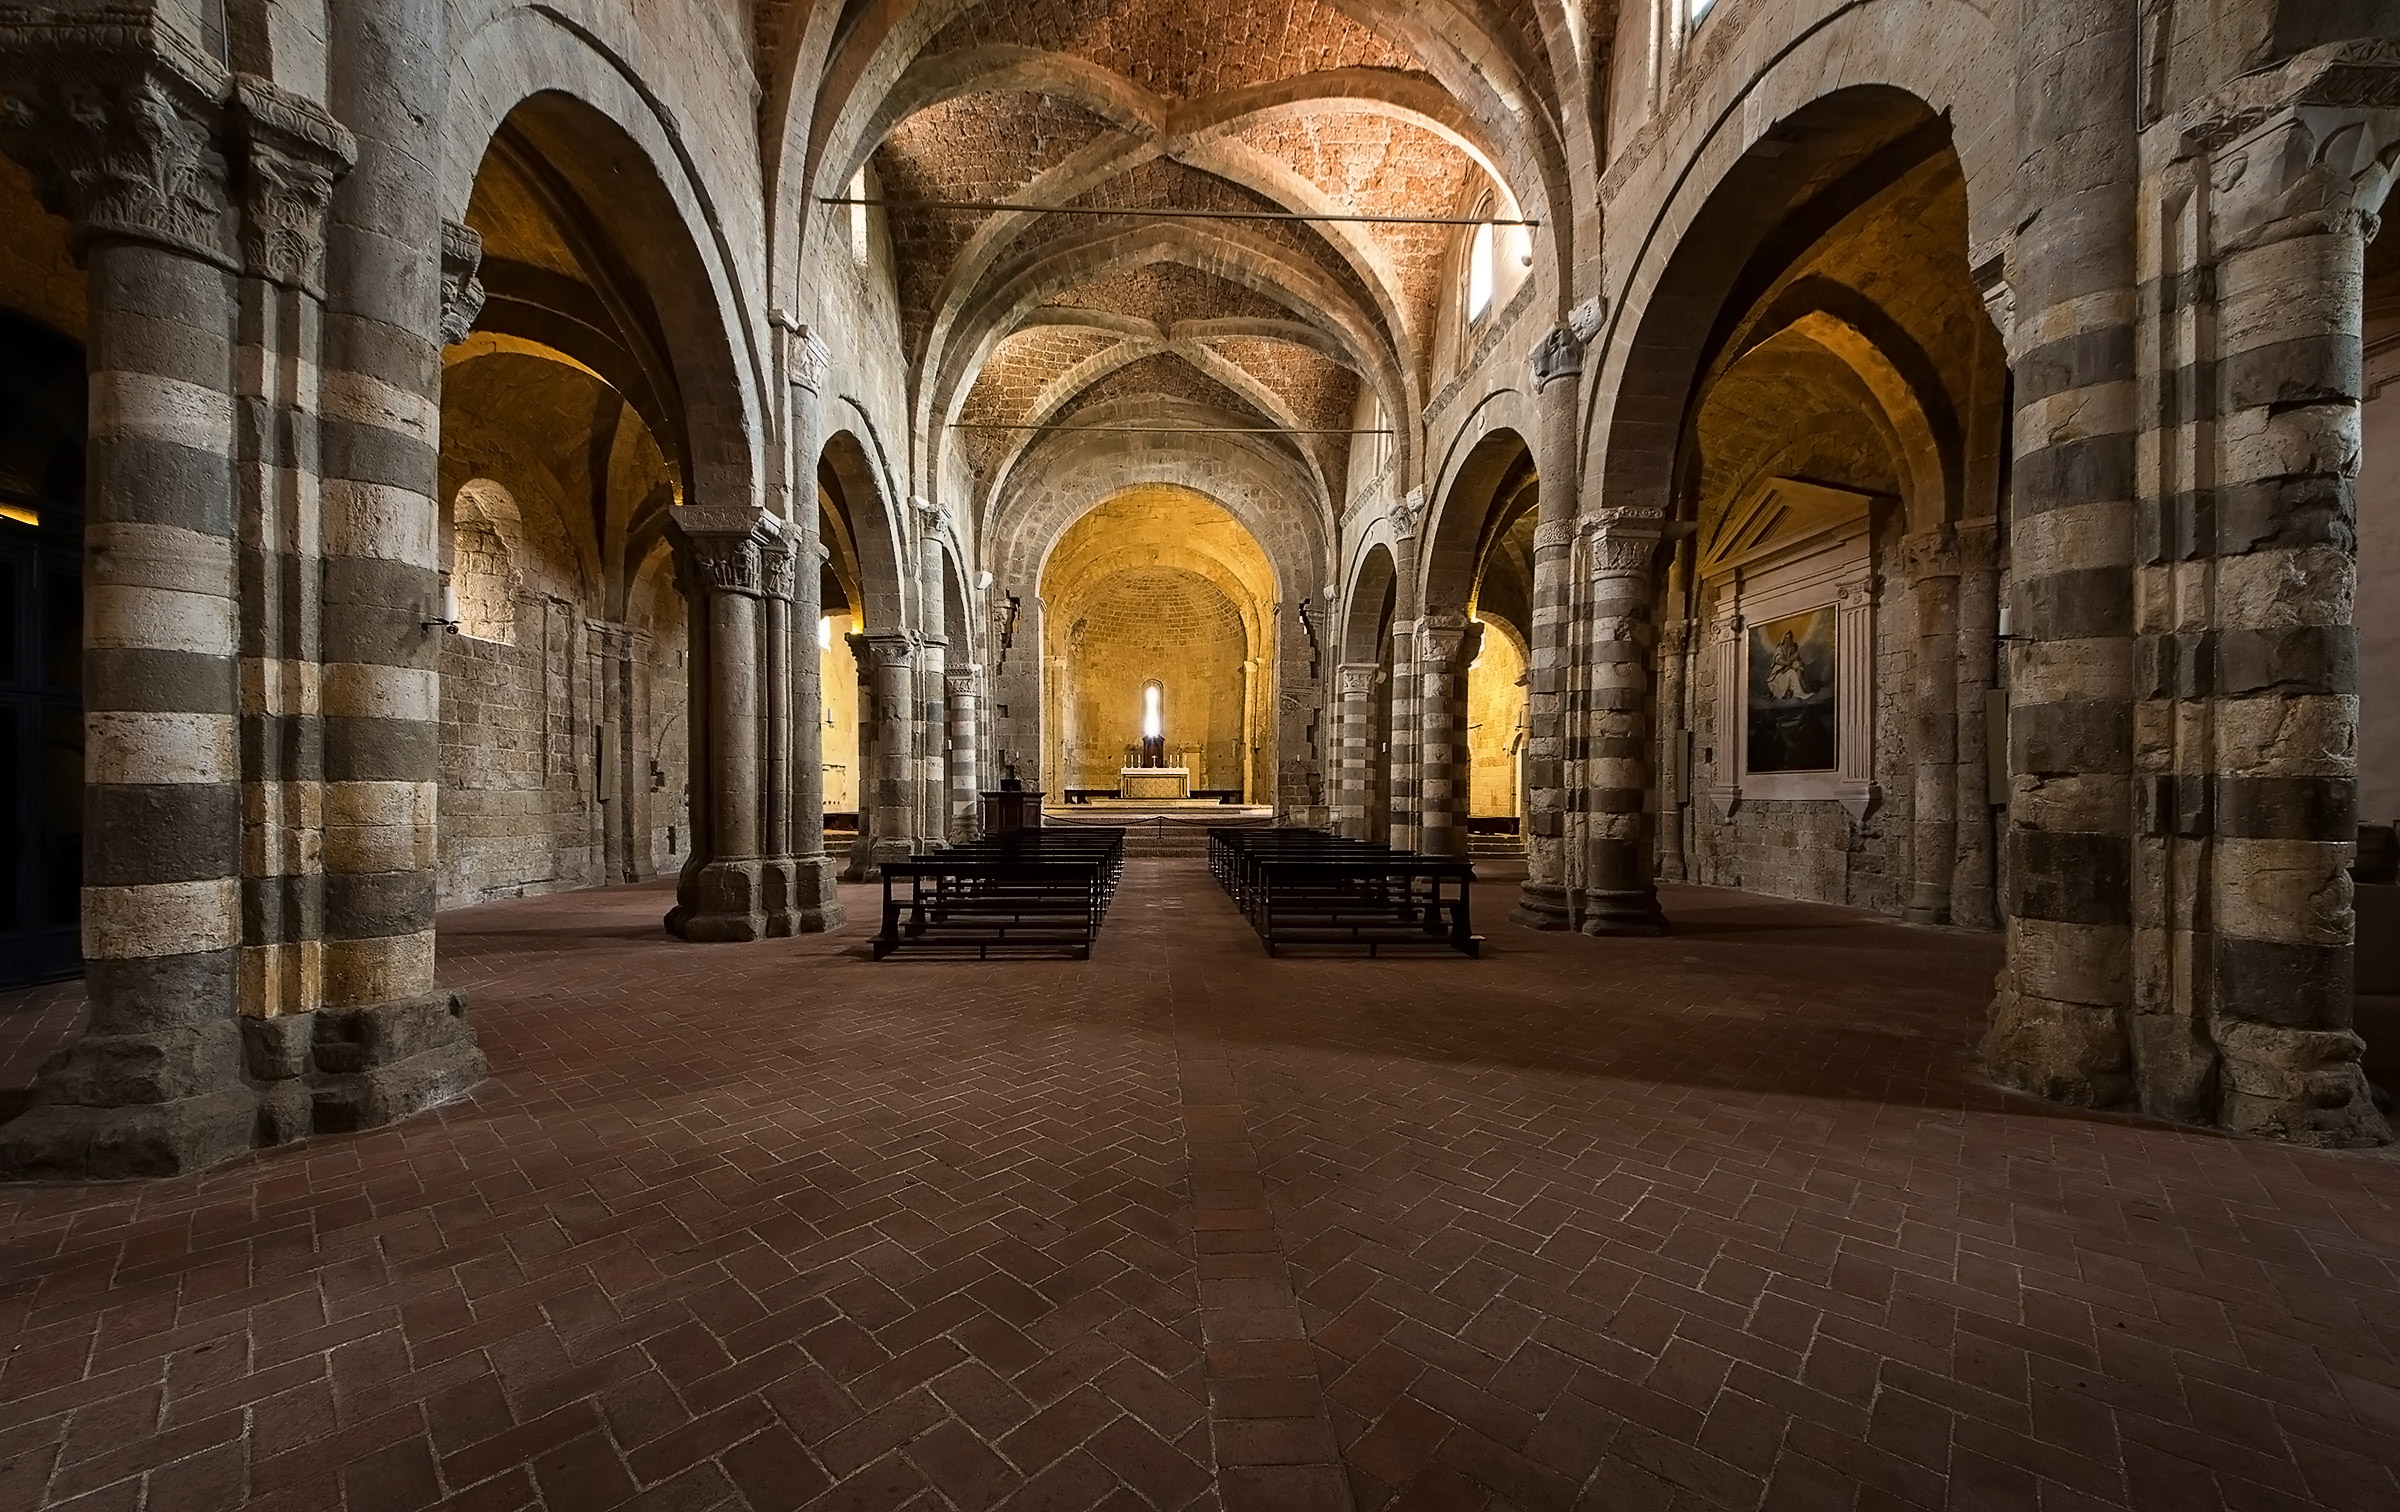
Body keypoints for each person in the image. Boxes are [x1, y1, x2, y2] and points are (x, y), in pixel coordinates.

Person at [1766, 630, 1810, 701]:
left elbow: (1796, 660)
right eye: (1786, 639)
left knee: (1792, 673)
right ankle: (1782, 696)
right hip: (1778, 671)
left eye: (1789, 639)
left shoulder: (1792, 648)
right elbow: (1777, 659)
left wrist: (1796, 666)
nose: (1788, 641)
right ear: (1784, 639)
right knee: (1786, 675)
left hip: (1788, 669)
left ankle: (1799, 693)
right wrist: (1786, 663)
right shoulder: (1780, 648)